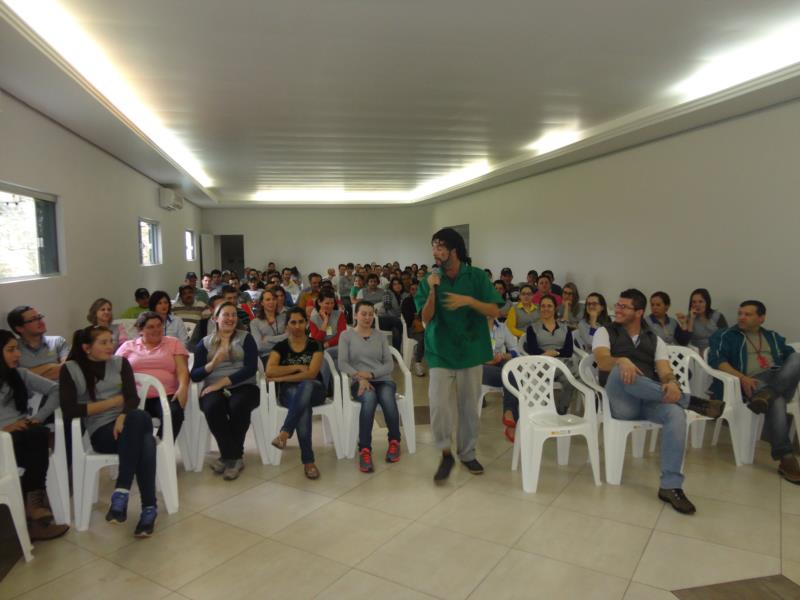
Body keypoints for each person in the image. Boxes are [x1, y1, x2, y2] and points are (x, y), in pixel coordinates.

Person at [592, 289, 697, 515]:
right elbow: (601, 361)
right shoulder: (605, 331)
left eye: (624, 307)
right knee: (622, 371)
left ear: (639, 312)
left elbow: (665, 371)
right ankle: (690, 401)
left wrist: (672, 383)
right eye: (617, 305)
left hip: (648, 400)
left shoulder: (655, 339)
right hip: (621, 402)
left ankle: (670, 486)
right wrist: (621, 360)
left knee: (676, 414)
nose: (618, 310)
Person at [416, 227, 504, 482]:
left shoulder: (476, 276)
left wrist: (469, 301)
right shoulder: (430, 279)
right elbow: (425, 317)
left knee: (468, 407)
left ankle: (467, 453)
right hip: (440, 350)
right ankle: (445, 452)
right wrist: (432, 291)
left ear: (454, 250)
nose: (435, 252)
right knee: (438, 405)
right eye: (433, 247)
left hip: (470, 350)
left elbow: (495, 311)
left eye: (440, 247)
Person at [60, 326, 158, 536]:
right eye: (103, 342)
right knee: (146, 441)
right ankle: (149, 508)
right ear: (87, 347)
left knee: (139, 418)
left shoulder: (120, 363)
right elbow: (70, 410)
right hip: (102, 432)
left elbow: (132, 398)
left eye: (110, 341)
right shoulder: (70, 369)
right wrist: (113, 402)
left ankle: (122, 493)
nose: (110, 346)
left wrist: (122, 416)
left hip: (127, 423)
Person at [708, 300, 800, 483]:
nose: (741, 317)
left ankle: (768, 394)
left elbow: (790, 359)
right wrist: (742, 377)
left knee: (797, 357)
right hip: (751, 381)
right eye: (740, 313)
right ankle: (786, 457)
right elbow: (717, 361)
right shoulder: (726, 335)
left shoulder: (773, 337)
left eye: (747, 314)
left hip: (777, 379)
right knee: (777, 401)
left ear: (761, 318)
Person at [0, 329, 69, 541]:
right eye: (11, 350)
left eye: (17, 349)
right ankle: (33, 510)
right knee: (36, 438)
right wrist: (4, 430)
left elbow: (57, 390)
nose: (17, 354)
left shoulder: (19, 375)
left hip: (20, 437)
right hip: (4, 439)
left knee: (37, 434)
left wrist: (39, 416)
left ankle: (31, 511)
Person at [190, 302, 259, 480]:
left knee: (238, 405)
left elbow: (251, 369)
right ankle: (234, 457)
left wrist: (221, 383)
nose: (230, 318)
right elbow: (195, 375)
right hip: (213, 386)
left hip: (244, 385)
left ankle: (228, 457)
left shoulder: (246, 338)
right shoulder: (204, 343)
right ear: (215, 318)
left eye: (233, 315)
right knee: (212, 407)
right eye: (226, 315)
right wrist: (213, 364)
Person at [338, 301, 401, 472]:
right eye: (363, 314)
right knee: (369, 399)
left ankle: (394, 441)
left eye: (370, 314)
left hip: (383, 379)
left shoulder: (380, 336)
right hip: (358, 382)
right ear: (355, 315)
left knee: (388, 399)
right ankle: (365, 449)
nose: (367, 317)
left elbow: (389, 364)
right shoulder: (346, 336)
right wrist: (360, 377)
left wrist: (371, 374)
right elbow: (342, 363)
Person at [267, 307, 325, 480]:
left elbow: (311, 374)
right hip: (289, 393)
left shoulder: (315, 345)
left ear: (306, 323)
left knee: (306, 385)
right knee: (303, 407)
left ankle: (285, 432)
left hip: (315, 390)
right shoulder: (280, 347)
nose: (297, 326)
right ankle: (308, 462)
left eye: (301, 322)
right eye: (293, 322)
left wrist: (282, 377)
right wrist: (297, 366)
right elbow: (270, 370)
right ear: (287, 325)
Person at [115, 311, 189, 441]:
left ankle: (160, 445)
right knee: (125, 419)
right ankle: (141, 446)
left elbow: (182, 369)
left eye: (159, 325)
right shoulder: (128, 346)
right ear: (140, 330)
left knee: (175, 413)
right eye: (150, 327)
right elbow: (114, 370)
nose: (156, 330)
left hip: (166, 395)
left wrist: (183, 387)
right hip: (134, 397)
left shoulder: (173, 343)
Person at [521, 294, 575, 414]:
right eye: (543, 306)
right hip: (541, 365)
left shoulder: (565, 328)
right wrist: (547, 354)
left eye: (549, 306)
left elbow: (569, 350)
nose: (546, 309)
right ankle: (546, 411)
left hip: (562, 363)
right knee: (572, 372)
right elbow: (533, 350)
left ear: (555, 309)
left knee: (570, 380)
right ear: (539, 308)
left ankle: (561, 411)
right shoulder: (532, 328)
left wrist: (555, 352)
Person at [481, 317, 518, 442]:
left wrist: (505, 355)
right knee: (511, 377)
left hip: (500, 362)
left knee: (510, 371)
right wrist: (487, 360)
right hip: (480, 365)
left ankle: (510, 415)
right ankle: (511, 418)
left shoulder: (501, 327)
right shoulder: (473, 325)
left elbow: (515, 349)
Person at [7, 306, 69, 380]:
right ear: (20, 328)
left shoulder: (58, 341)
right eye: (33, 319)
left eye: (40, 317)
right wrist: (49, 366)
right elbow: (15, 377)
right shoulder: (12, 348)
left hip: (59, 387)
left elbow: (67, 370)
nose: (41, 322)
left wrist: (28, 375)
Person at [676, 288, 728, 353]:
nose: (697, 305)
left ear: (707, 303)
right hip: (696, 353)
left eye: (700, 302)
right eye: (694, 302)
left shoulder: (718, 316)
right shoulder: (688, 318)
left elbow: (726, 337)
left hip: (716, 351)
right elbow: (684, 342)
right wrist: (691, 319)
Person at [250, 287, 288, 364]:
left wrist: (268, 338)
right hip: (267, 357)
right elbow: (259, 346)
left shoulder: (285, 317)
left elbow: (290, 337)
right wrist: (282, 339)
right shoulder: (254, 323)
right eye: (268, 299)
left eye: (274, 299)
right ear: (262, 303)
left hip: (286, 354)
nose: (271, 302)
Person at [401, 279, 426, 376]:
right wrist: (417, 316)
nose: (415, 291)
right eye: (412, 289)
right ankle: (418, 362)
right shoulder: (407, 301)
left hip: (426, 326)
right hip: (413, 328)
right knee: (423, 338)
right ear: (410, 291)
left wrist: (418, 315)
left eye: (417, 289)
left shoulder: (424, 301)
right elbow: (408, 319)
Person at [380, 277, 406, 351]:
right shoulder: (387, 293)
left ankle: (396, 352)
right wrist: (397, 317)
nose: (397, 286)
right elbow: (387, 307)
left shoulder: (405, 294)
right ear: (391, 286)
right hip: (385, 319)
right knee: (398, 322)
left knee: (396, 330)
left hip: (397, 322)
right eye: (394, 284)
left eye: (399, 284)